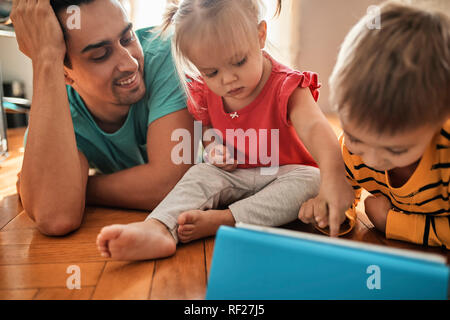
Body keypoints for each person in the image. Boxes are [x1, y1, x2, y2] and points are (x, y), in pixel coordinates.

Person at [97, 0, 354, 261]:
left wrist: (333, 180)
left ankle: (226, 220)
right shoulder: (204, 90)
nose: (228, 79)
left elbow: (315, 128)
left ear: (260, 35)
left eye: (239, 62)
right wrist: (214, 148)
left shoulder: (287, 86)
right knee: (199, 172)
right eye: (212, 72)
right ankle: (159, 228)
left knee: (312, 179)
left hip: (284, 177)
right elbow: (207, 128)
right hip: (236, 176)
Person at [11, 0, 194, 255]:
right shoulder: (58, 112)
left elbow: (173, 182)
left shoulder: (165, 50)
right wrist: (44, 59)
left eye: (128, 37)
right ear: (65, 75)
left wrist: (82, 187)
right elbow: (56, 216)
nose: (129, 63)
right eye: (100, 55)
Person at [328, 1, 450, 248]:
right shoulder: (351, 149)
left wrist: (390, 222)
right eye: (356, 138)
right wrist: (334, 211)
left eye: (396, 150)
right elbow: (343, 194)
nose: (370, 160)